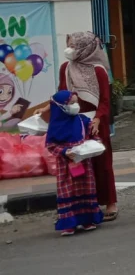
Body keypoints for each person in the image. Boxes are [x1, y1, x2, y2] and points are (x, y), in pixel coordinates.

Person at [59, 31, 118, 221]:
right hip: (74, 123)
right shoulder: (65, 68)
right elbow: (62, 95)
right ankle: (85, 204)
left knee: (102, 163)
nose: (70, 49)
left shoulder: (98, 70)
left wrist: (99, 118)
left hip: (95, 123)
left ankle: (110, 202)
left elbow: (105, 100)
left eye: (74, 45)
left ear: (85, 47)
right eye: (69, 44)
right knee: (79, 165)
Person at [45, 91, 104, 237]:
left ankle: (88, 219)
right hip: (66, 166)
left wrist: (95, 140)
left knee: (85, 188)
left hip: (83, 161)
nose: (75, 106)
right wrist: (65, 151)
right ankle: (69, 223)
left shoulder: (82, 120)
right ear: (60, 107)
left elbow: (92, 133)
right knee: (68, 190)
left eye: (76, 102)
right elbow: (51, 145)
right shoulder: (55, 126)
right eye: (71, 103)